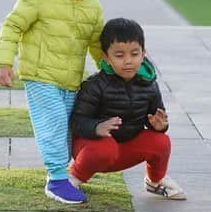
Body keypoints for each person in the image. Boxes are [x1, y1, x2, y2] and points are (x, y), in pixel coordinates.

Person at [0, 0, 104, 204]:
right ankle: (56, 181)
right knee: (53, 122)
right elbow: (12, 26)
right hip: (40, 75)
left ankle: (64, 173)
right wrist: (4, 62)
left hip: (71, 80)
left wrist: (114, 72)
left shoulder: (93, 7)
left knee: (68, 130)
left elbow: (98, 45)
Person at [70, 18, 186, 200]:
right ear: (106, 57)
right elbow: (76, 121)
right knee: (106, 148)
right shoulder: (94, 86)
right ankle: (73, 179)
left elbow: (157, 119)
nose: (128, 61)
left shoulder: (149, 85)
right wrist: (96, 128)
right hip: (92, 149)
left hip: (124, 148)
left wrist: (160, 126)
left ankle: (155, 182)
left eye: (134, 54)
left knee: (161, 141)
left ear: (143, 53)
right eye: (119, 55)